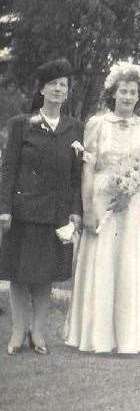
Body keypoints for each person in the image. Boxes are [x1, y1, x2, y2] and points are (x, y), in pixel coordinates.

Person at [64, 62, 140, 353]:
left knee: (129, 262)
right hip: (101, 198)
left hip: (132, 202)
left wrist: (131, 189)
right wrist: (89, 208)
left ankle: (129, 338)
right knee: (101, 262)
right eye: (123, 91)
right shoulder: (96, 124)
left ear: (139, 96)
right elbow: (88, 170)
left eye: (133, 92)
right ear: (113, 93)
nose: (128, 97)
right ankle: (97, 336)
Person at [0, 59, 83, 355]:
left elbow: (76, 175)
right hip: (22, 212)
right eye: (54, 84)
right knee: (20, 274)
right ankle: (18, 331)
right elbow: (8, 168)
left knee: (45, 275)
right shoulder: (22, 124)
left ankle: (38, 332)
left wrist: (76, 210)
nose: (60, 89)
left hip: (57, 213)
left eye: (64, 85)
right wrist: (4, 208)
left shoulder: (74, 127)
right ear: (42, 89)